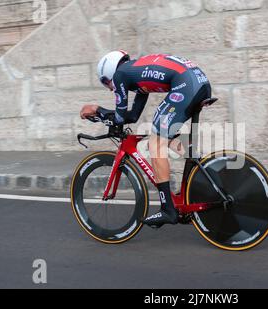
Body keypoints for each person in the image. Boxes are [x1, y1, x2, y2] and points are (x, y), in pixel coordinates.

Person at [80, 50, 212, 228]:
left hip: (187, 84)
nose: (110, 88)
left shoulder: (120, 75)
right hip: (198, 83)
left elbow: (119, 118)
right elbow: (133, 116)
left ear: (110, 71)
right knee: (162, 134)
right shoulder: (137, 75)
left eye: (105, 82)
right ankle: (204, 168)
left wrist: (97, 109)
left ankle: (168, 209)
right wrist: (103, 116)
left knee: (155, 143)